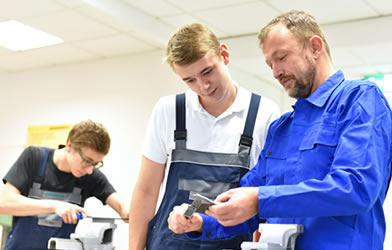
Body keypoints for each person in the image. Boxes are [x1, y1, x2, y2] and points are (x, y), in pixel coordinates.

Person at [167, 10, 392, 250]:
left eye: (281, 57)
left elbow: (356, 188)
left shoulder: (360, 99)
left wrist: (259, 200)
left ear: (315, 47)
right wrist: (202, 221)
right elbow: (248, 203)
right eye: (270, 64)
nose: (275, 72)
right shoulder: (281, 129)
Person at [129, 23, 280, 250]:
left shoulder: (264, 113)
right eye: (190, 80)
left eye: (207, 71)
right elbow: (146, 191)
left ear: (224, 55)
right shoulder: (169, 110)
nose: (204, 85)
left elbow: (265, 199)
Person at [0, 120, 129, 250]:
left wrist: (129, 212)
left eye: (96, 164)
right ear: (69, 146)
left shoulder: (90, 177)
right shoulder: (34, 157)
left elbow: (120, 205)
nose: (90, 170)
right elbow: (4, 203)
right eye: (87, 161)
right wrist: (55, 206)